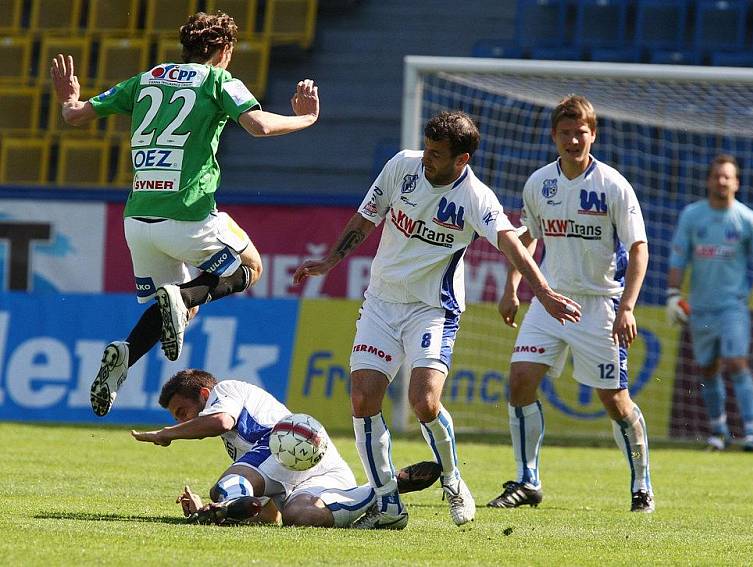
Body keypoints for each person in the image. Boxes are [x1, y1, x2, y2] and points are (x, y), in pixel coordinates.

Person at [292, 111, 581, 529]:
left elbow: (511, 245)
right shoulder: (401, 166)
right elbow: (366, 216)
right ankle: (388, 503)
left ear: (461, 159)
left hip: (433, 309)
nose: (426, 158)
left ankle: (452, 477)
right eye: (427, 148)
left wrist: (544, 293)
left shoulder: (476, 198)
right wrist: (330, 261)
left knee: (424, 401)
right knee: (362, 399)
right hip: (382, 302)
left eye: (437, 153)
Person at [49, 11, 320, 418]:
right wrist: (307, 117)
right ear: (225, 50)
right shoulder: (219, 81)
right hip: (187, 212)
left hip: (138, 219)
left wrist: (69, 97)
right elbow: (259, 126)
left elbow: (75, 115)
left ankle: (123, 358)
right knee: (248, 267)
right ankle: (181, 296)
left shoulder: (145, 79)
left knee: (178, 310)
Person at [486, 95, 655, 513]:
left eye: (581, 132)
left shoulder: (613, 186)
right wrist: (512, 287)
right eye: (566, 133)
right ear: (554, 136)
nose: (573, 140)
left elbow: (639, 249)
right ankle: (528, 481)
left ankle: (641, 484)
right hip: (550, 300)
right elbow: (527, 239)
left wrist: (628, 307)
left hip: (599, 305)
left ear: (593, 135)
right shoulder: (539, 183)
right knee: (520, 380)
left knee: (614, 401)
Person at [131, 369, 442, 527]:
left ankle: (223, 504)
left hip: (289, 443)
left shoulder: (224, 391)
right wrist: (212, 511)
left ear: (203, 393)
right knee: (299, 516)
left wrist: (166, 433)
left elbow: (221, 422)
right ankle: (386, 491)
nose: (185, 421)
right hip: (318, 471)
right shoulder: (240, 449)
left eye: (183, 412)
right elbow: (267, 516)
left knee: (227, 485)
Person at [666, 154, 753, 452]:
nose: (721, 180)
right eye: (717, 175)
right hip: (701, 307)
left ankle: (752, 433)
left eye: (727, 176)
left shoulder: (747, 220)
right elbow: (678, 257)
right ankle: (718, 432)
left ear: (736, 182)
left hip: (733, 306)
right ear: (708, 180)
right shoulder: (692, 216)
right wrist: (673, 295)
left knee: (737, 363)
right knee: (708, 369)